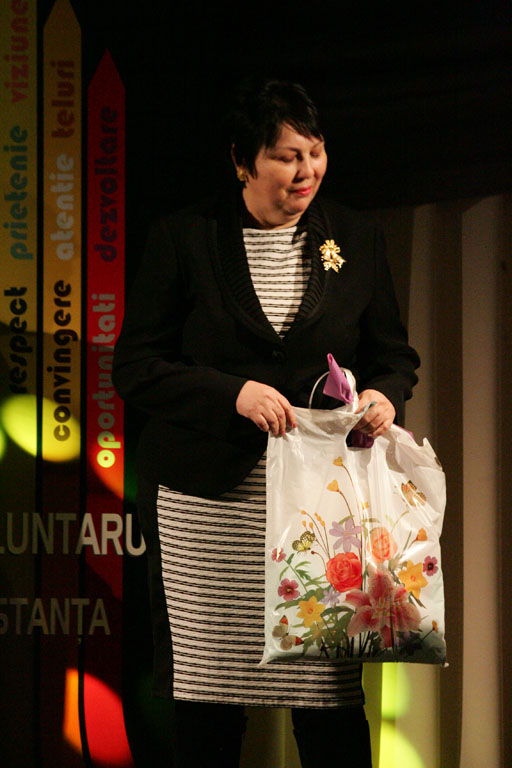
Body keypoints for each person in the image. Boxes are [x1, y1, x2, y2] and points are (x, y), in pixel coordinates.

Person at [113, 79, 420, 768]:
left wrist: (383, 395)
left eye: (316, 152)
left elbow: (393, 355)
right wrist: (232, 394)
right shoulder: (185, 238)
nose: (307, 171)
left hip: (318, 507)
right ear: (242, 162)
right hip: (207, 504)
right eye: (287, 156)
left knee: (328, 704)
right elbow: (135, 367)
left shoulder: (355, 236)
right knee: (208, 704)